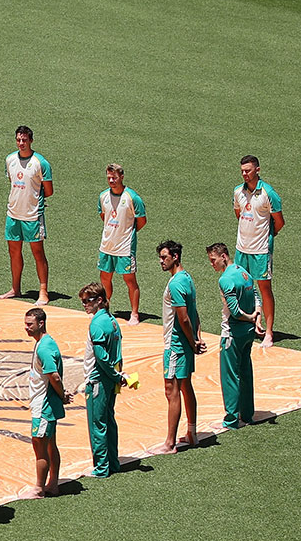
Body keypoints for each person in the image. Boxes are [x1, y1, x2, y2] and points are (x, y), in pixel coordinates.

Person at [153, 240, 206, 454]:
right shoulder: (187, 278)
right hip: (184, 343)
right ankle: (192, 433)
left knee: (171, 390)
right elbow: (194, 312)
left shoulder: (175, 283)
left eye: (164, 257)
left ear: (175, 257)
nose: (161, 261)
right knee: (185, 387)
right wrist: (196, 337)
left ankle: (169, 443)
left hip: (175, 345)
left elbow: (183, 317)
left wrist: (192, 339)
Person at [208, 242, 263, 429]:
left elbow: (235, 311)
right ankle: (247, 414)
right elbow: (255, 294)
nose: (212, 264)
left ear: (223, 256)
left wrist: (249, 318)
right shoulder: (243, 272)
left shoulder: (225, 280)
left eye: (213, 260)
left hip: (232, 333)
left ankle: (231, 419)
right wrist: (257, 316)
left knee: (230, 375)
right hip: (248, 334)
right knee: (245, 372)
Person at [233, 155, 284, 347]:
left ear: (257, 170)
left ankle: (269, 333)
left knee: (264, 289)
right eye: (242, 171)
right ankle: (251, 323)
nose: (245, 174)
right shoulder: (238, 191)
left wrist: (270, 236)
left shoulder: (268, 193)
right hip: (241, 248)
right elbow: (238, 214)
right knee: (241, 288)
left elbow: (279, 221)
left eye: (248, 170)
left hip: (261, 249)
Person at [0, 125, 53, 305]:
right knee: (13, 251)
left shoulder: (40, 163)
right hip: (13, 213)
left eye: (24, 140)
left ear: (31, 140)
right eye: (18, 140)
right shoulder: (10, 159)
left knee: (37, 252)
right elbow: (12, 182)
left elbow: (49, 190)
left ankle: (43, 291)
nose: (21, 143)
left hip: (32, 215)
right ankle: (15, 288)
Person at [79, 282, 127, 477]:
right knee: (109, 420)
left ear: (99, 300)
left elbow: (102, 357)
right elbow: (117, 354)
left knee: (97, 424)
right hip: (109, 379)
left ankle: (101, 467)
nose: (84, 305)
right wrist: (118, 376)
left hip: (99, 380)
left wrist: (115, 375)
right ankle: (113, 463)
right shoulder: (112, 321)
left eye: (87, 301)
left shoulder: (97, 324)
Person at [24, 307, 71, 497]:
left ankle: (39, 488)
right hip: (45, 403)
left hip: (44, 406)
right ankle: (53, 483)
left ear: (41, 323)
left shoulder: (44, 347)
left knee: (40, 446)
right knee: (50, 444)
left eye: (30, 324)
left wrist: (61, 395)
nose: (26, 328)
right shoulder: (44, 343)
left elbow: (54, 376)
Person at [97, 163, 147, 324]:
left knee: (130, 280)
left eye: (114, 177)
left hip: (125, 247)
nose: (111, 180)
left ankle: (134, 314)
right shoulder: (103, 196)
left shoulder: (132, 197)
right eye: (109, 177)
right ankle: (105, 308)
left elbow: (141, 221)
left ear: (122, 177)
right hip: (106, 245)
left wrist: (127, 233)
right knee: (105, 278)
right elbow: (103, 216)